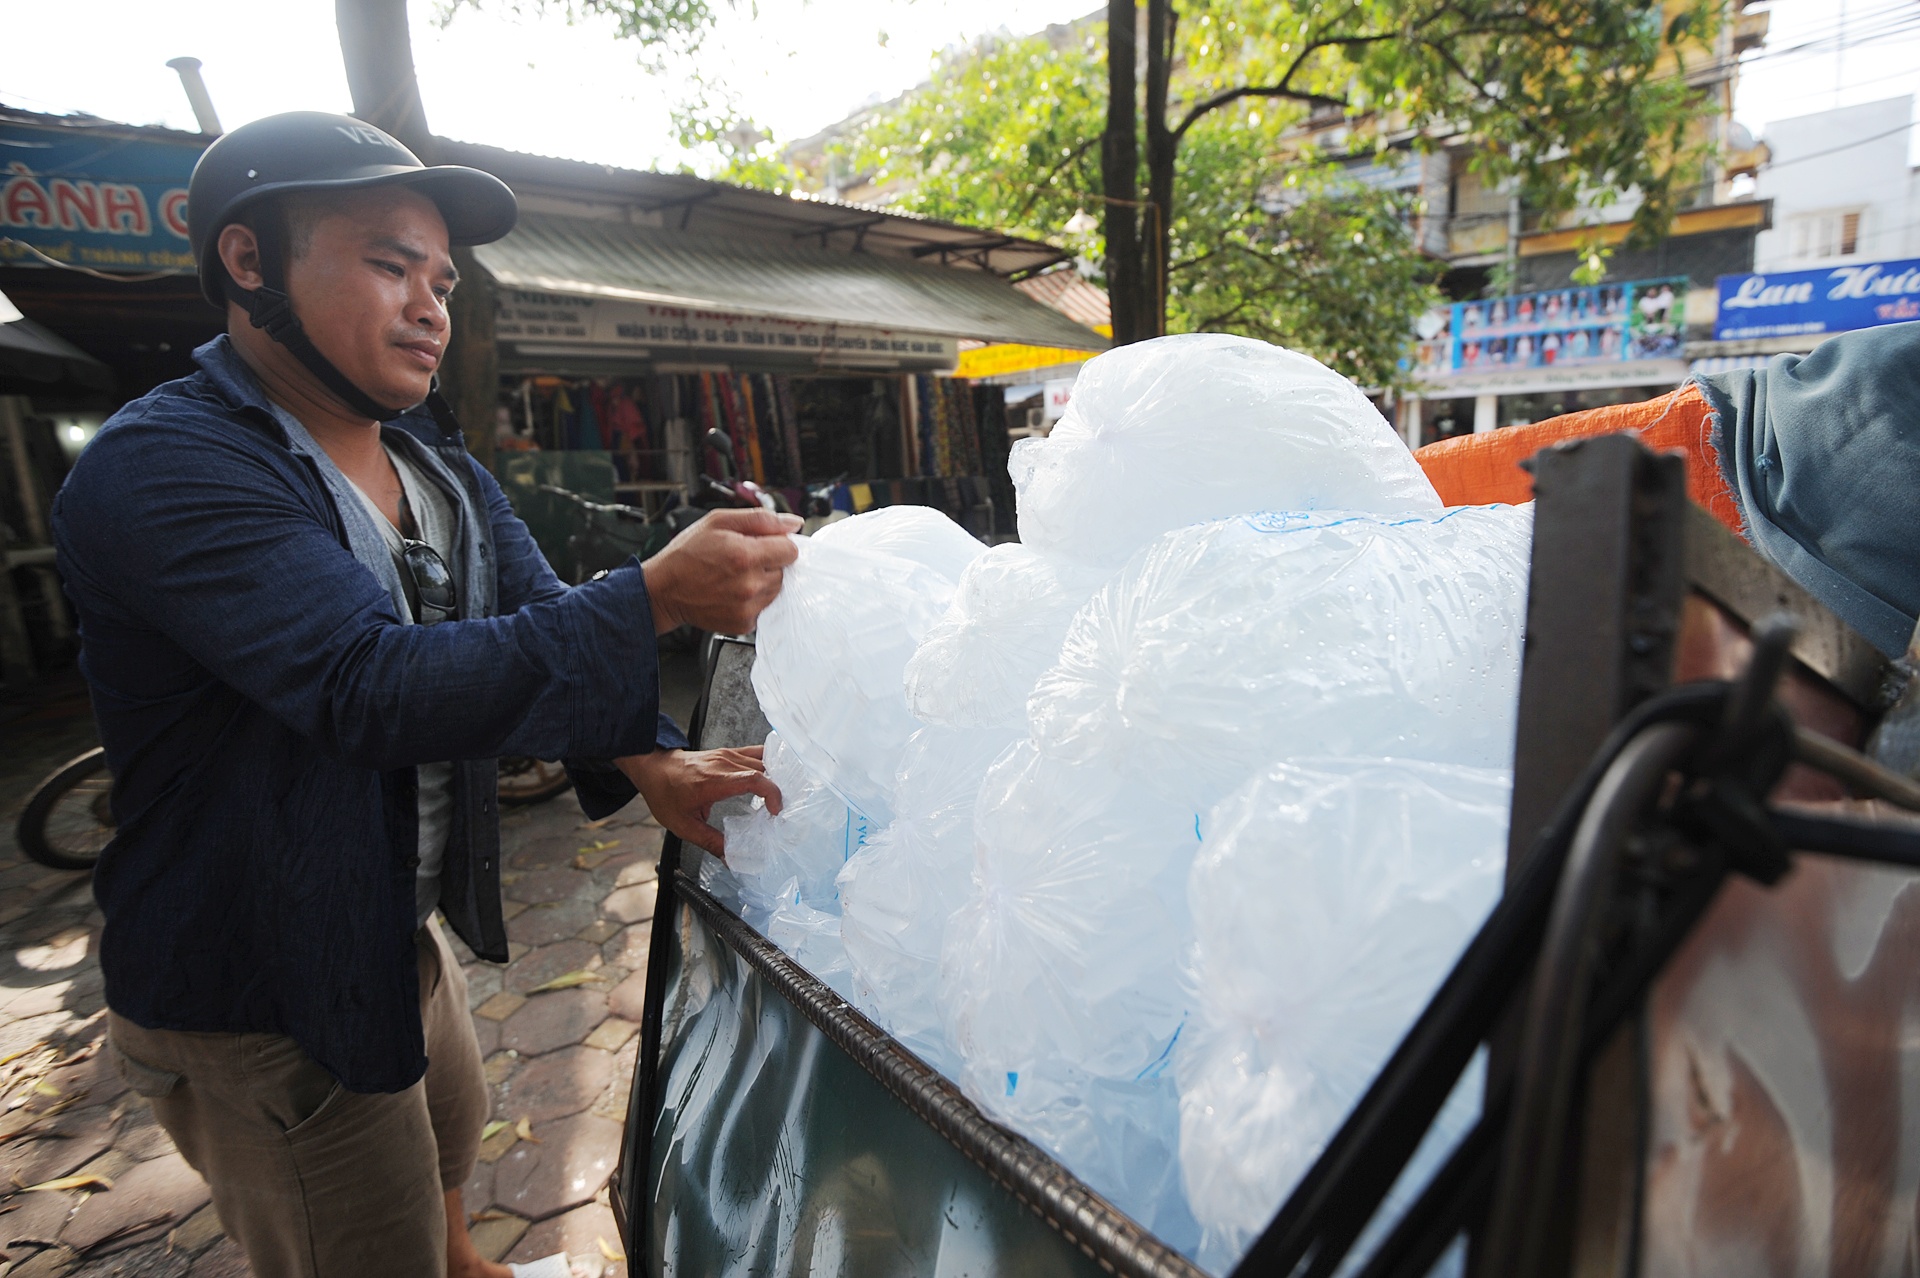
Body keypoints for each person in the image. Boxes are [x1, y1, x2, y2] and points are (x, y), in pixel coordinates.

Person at [50, 112, 799, 1278]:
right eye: (389, 264)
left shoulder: (428, 460)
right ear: (249, 265)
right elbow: (365, 688)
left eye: (442, 277)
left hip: (387, 928)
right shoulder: (167, 464)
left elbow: (535, 610)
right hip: (261, 981)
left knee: (441, 1186)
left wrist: (651, 758)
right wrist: (656, 595)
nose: (430, 304)